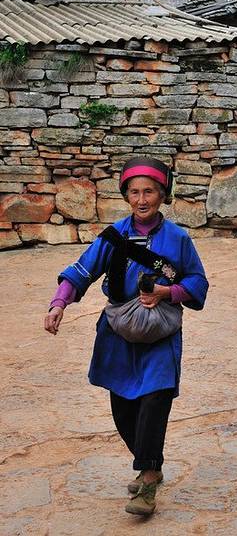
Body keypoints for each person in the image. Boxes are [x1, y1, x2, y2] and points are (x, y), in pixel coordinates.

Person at [43, 157, 209, 516]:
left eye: (149, 192)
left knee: (154, 400)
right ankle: (151, 463)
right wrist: (59, 304)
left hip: (160, 334)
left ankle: (147, 480)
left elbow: (197, 282)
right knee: (123, 409)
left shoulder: (178, 239)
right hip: (118, 333)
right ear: (126, 196)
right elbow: (81, 271)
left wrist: (167, 292)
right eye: (134, 192)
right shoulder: (113, 237)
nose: (142, 199)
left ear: (163, 195)